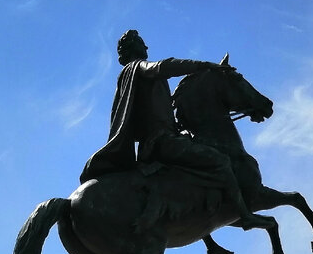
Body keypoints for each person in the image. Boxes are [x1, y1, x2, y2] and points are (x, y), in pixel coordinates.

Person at [79, 29, 272, 230]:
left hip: (159, 141)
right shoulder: (138, 67)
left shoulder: (130, 78)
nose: (146, 47)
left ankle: (208, 234)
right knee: (220, 161)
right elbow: (163, 67)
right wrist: (204, 66)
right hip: (162, 141)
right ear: (134, 48)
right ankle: (245, 215)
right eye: (142, 43)